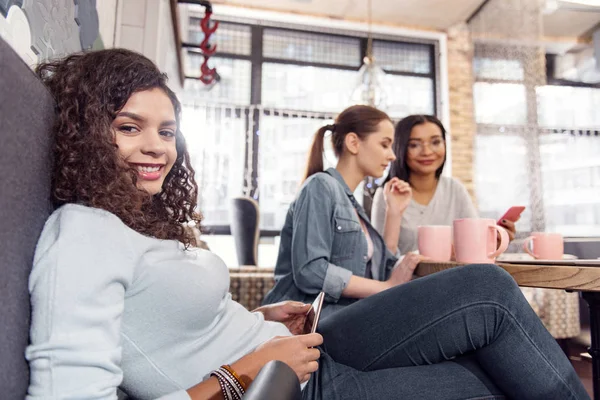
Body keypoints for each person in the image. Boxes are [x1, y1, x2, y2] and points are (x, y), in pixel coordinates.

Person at [25, 49, 589, 400]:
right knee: (489, 357)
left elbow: (170, 321)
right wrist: (243, 372)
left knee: (488, 295)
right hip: (283, 383)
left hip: (296, 344)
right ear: (85, 133)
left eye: (166, 131)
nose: (155, 147)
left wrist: (262, 318)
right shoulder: (82, 233)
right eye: (129, 127)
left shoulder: (137, 222)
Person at [263, 105, 421, 316]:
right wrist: (386, 288)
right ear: (353, 143)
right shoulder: (319, 186)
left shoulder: (351, 204)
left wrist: (395, 212)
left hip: (346, 320)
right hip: (308, 324)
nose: (392, 155)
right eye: (385, 145)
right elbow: (310, 271)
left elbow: (381, 275)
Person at [371, 114, 517, 255]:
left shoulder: (455, 189)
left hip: (453, 277)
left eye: (435, 142)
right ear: (400, 148)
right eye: (414, 145)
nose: (427, 152)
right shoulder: (387, 195)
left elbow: (474, 244)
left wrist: (495, 242)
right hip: (408, 279)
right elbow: (381, 261)